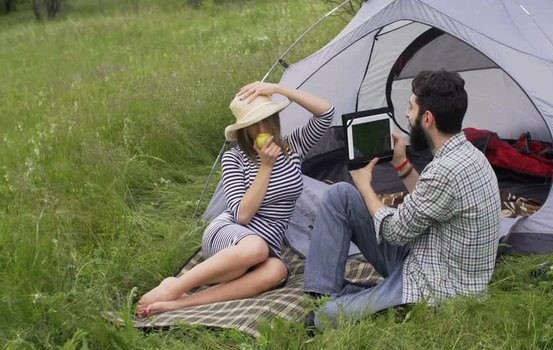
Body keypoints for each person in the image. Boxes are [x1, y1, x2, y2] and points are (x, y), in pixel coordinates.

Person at [303, 70, 501, 330]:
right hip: (428, 256)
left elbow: (393, 232)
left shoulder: (445, 171)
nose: (407, 116)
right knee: (340, 195)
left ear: (427, 118)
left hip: (435, 288)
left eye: (410, 108)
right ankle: (322, 293)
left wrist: (364, 185)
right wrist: (401, 164)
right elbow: (429, 202)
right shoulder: (467, 154)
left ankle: (335, 305)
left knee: (324, 319)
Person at [136, 82, 334, 317]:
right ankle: (174, 286)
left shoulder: (293, 147)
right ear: (244, 129)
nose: (262, 128)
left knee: (278, 271)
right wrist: (265, 167)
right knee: (256, 247)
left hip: (266, 245)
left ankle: (180, 304)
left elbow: (326, 113)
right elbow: (242, 215)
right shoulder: (234, 158)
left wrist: (280, 90)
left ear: (275, 118)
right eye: (253, 123)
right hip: (230, 234)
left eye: (266, 118)